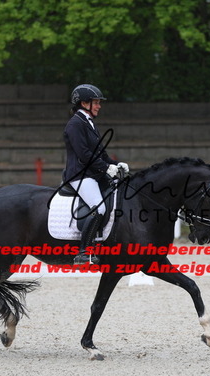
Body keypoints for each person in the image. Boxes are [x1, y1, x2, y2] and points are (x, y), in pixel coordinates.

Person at [63, 84, 129, 265]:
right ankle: (84, 252)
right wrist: (106, 168)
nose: (99, 106)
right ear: (84, 103)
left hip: (92, 173)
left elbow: (101, 153)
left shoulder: (88, 122)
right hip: (80, 175)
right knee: (98, 207)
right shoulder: (75, 124)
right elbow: (84, 154)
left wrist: (115, 164)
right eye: (96, 102)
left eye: (99, 103)